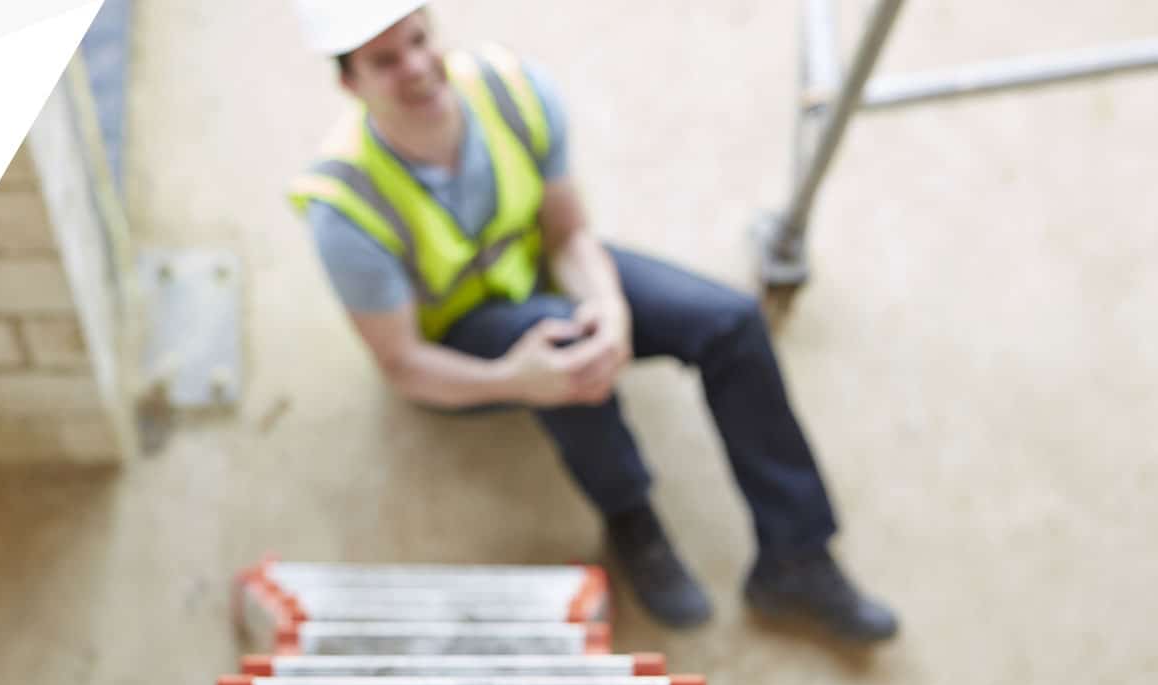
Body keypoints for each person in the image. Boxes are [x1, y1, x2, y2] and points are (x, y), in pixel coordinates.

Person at [287, 0, 898, 642]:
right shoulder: (346, 209)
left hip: (542, 269)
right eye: (385, 61)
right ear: (348, 83)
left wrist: (610, 310)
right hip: (459, 342)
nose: (417, 68)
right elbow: (403, 364)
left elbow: (569, 234)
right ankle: (631, 517)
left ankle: (796, 556)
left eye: (419, 40)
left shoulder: (513, 92)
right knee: (568, 352)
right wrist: (516, 380)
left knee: (731, 323)